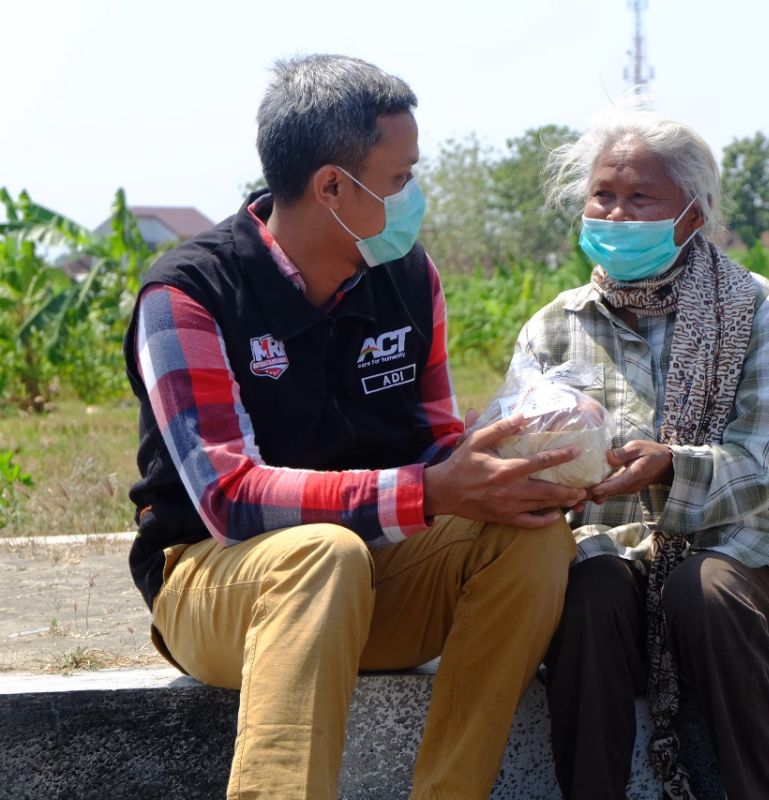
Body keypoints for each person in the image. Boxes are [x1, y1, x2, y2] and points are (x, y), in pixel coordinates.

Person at [123, 54, 585, 800]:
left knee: (532, 536)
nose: (415, 197)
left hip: (380, 576)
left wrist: (525, 464)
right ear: (332, 187)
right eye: (399, 179)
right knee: (322, 557)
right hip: (220, 585)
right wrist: (430, 489)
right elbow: (230, 499)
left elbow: (435, 438)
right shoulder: (188, 297)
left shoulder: (409, 277)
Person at [513, 102, 769, 800]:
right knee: (589, 592)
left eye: (640, 198)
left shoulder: (760, 310)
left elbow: (765, 460)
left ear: (693, 213)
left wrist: (671, 468)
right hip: (606, 548)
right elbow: (521, 438)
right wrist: (544, 468)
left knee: (704, 591)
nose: (616, 215)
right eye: (603, 195)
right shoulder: (554, 326)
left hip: (736, 554)